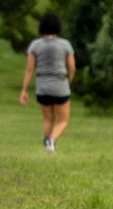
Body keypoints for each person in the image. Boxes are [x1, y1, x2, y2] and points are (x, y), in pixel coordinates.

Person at [20, 12, 75, 152]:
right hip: (60, 84)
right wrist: (67, 82)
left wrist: (24, 90)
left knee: (48, 119)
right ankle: (52, 140)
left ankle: (47, 146)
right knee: (63, 120)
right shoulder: (65, 45)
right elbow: (72, 68)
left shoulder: (35, 45)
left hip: (42, 86)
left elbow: (29, 69)